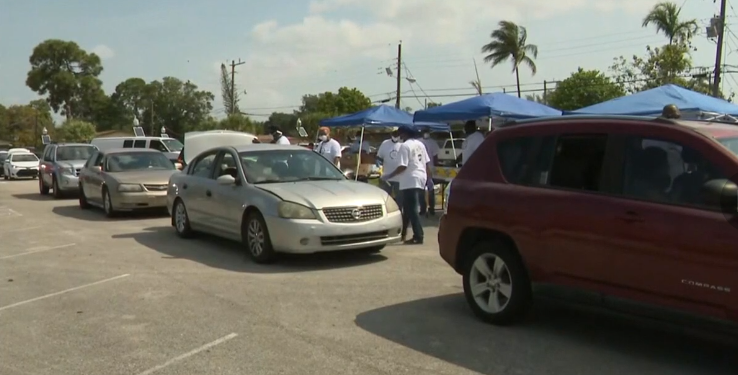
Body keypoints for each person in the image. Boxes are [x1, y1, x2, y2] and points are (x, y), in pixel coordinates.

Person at [381, 125, 431, 245]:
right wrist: (429, 178)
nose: (399, 136)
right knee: (408, 209)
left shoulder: (405, 146)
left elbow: (403, 166)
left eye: (401, 133)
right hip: (420, 177)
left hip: (410, 179)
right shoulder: (420, 144)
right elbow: (426, 163)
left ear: (405, 134)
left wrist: (389, 175)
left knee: (412, 209)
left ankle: (418, 236)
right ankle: (403, 234)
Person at [376, 128, 404, 208]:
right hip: (386, 177)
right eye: (394, 133)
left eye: (397, 133)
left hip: (399, 178)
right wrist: (378, 161)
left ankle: (400, 214)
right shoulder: (385, 143)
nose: (395, 135)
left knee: (400, 199)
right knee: (385, 198)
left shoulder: (403, 144)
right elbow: (379, 156)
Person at [419, 127, 440, 216]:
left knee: (431, 190)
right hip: (420, 170)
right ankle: (423, 208)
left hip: (430, 170)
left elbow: (435, 156)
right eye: (424, 132)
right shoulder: (418, 142)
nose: (426, 133)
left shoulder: (433, 142)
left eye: (427, 132)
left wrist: (435, 167)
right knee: (421, 191)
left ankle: (432, 208)